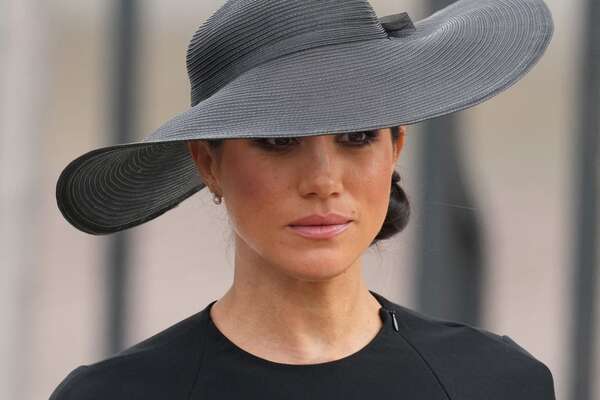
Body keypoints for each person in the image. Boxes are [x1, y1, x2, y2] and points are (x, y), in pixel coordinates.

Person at [50, 0, 556, 398]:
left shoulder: (498, 383)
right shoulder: (115, 394)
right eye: (278, 140)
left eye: (357, 136)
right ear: (209, 164)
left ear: (396, 145)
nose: (323, 180)